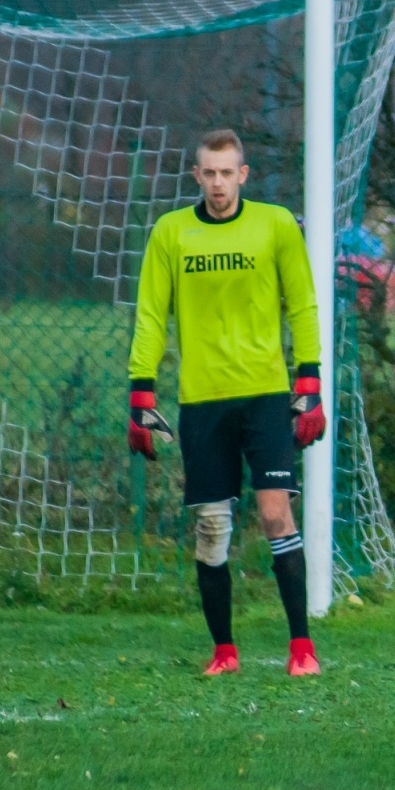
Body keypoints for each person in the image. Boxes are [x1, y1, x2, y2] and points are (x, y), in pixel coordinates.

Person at [127, 129, 326, 677]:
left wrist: (309, 382)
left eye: (227, 172)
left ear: (243, 174)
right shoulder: (171, 232)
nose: (218, 183)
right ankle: (225, 651)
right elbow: (150, 315)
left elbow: (303, 306)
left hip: (264, 395)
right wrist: (139, 388)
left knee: (274, 513)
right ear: (197, 176)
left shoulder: (276, 224)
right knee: (213, 527)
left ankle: (301, 649)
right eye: (208, 173)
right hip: (203, 401)